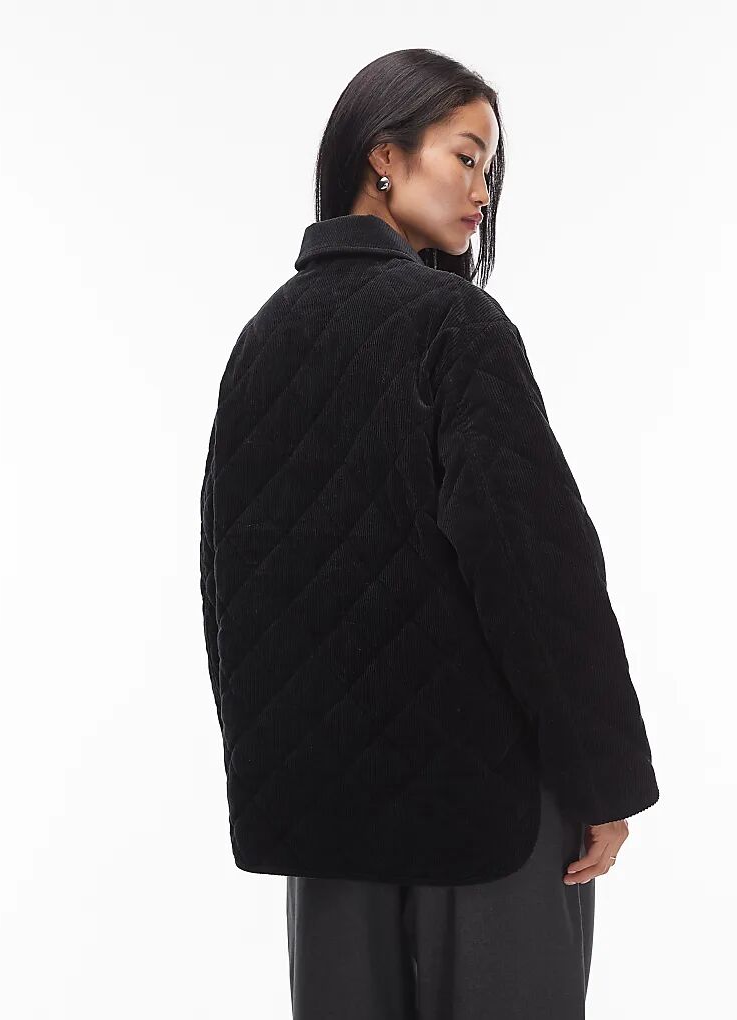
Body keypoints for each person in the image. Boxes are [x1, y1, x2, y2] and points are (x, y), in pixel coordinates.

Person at [199, 47, 659, 1019]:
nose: (482, 191)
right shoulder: (455, 326)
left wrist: (280, 784)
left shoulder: (259, 341)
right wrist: (603, 777)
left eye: (488, 169)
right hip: (484, 818)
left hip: (328, 833)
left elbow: (231, 591)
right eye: (466, 156)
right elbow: (537, 568)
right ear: (384, 156)